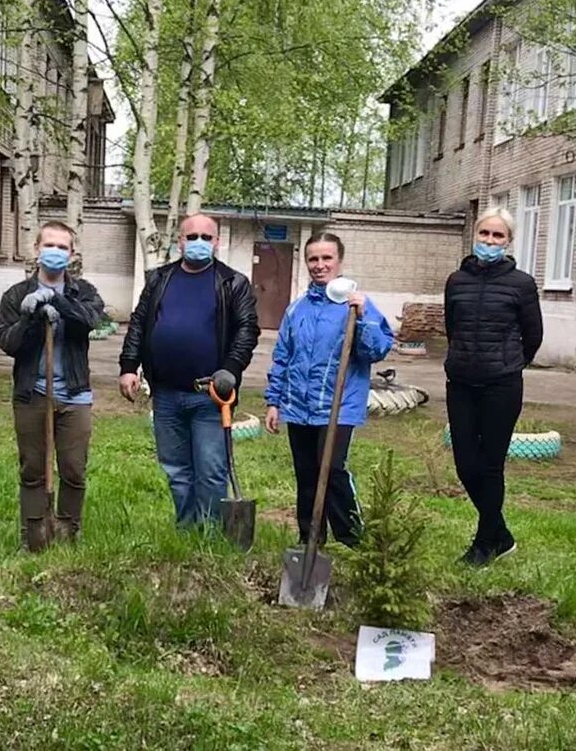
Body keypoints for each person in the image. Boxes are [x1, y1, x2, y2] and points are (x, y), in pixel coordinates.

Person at [117, 213, 259, 527]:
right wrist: (129, 366)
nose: (198, 243)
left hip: (210, 395)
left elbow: (247, 331)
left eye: (206, 238)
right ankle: (186, 529)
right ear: (179, 241)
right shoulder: (159, 279)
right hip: (166, 395)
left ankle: (208, 536)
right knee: (176, 469)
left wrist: (230, 370)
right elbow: (139, 324)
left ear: (217, 242)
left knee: (210, 471)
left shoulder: (232, 283)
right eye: (191, 237)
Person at [263, 233, 395, 548]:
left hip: (339, 406)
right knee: (306, 474)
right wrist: (273, 402)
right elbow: (283, 357)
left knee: (332, 469)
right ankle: (310, 539)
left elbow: (376, 351)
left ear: (339, 262)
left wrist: (363, 318)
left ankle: (354, 540)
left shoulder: (357, 305)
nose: (320, 265)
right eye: (313, 259)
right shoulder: (297, 309)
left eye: (326, 259)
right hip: (298, 406)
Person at [0, 221, 105, 550]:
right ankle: (35, 536)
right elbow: (7, 343)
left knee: (73, 468)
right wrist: (30, 317)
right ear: (36, 250)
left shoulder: (83, 291)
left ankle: (68, 533)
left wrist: (59, 304)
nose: (55, 252)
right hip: (32, 394)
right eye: (49, 245)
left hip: (74, 394)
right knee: (32, 469)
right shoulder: (15, 295)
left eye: (62, 247)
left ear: (71, 254)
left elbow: (93, 320)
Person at [444, 206, 543, 566]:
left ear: (508, 241)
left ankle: (485, 543)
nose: (489, 241)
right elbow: (452, 327)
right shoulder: (456, 281)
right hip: (461, 383)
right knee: (465, 464)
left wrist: (509, 363)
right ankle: (500, 533)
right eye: (484, 234)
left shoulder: (521, 284)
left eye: (497, 236)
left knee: (490, 465)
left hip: (501, 386)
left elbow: (533, 336)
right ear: (475, 236)